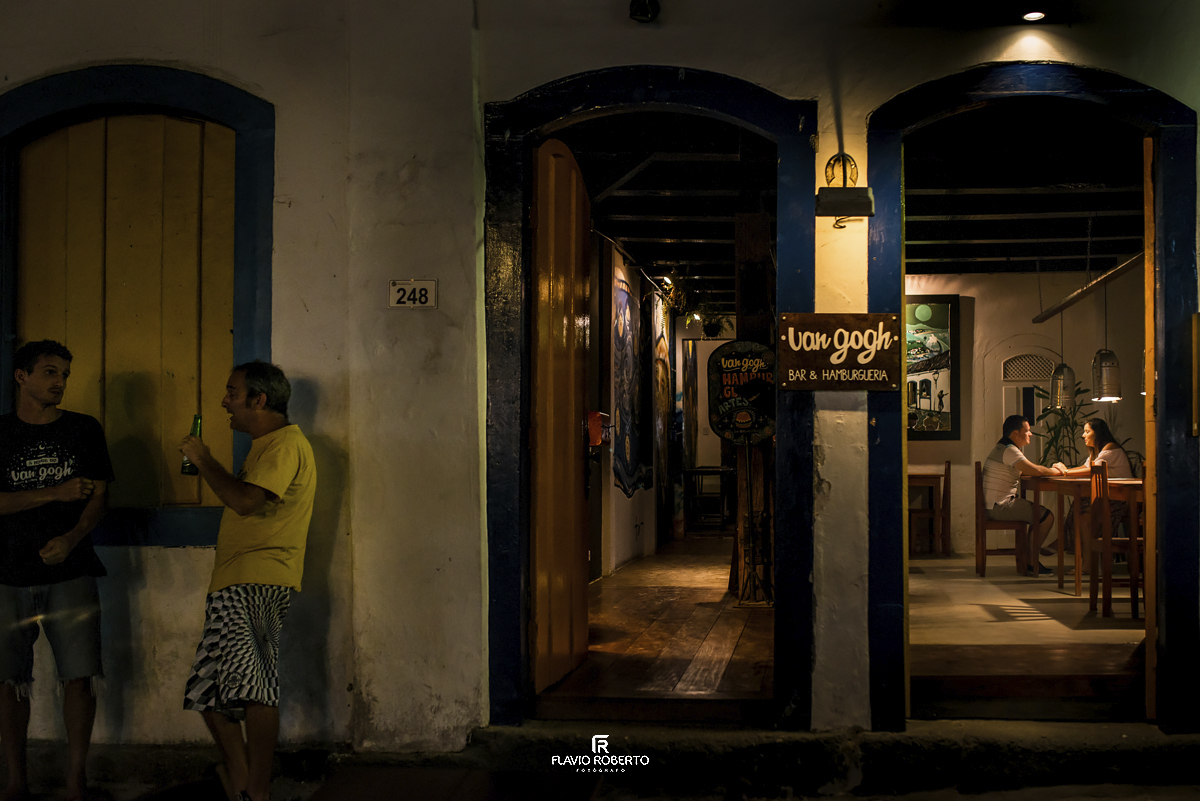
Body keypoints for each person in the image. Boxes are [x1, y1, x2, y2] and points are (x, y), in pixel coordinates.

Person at [179, 361, 316, 801]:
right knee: (207, 691)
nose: (225, 402)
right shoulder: (264, 447)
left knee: (255, 687)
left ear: (259, 399)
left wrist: (203, 459)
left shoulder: (285, 445)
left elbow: (245, 501)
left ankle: (257, 792)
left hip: (257, 580)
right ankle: (241, 781)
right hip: (234, 580)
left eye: (232, 393)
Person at [0, 340, 114, 801]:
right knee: (8, 681)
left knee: (79, 677)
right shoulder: (0, 432)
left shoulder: (83, 429)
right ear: (21, 376)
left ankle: (75, 781)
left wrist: (72, 538)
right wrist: (54, 493)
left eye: (64, 373)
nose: (60, 381)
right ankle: (15, 781)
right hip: (7, 572)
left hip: (72, 571)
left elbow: (99, 497)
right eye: (49, 372)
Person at [981, 414, 1066, 576]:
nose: (1030, 434)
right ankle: (1032, 562)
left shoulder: (1003, 447)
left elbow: (1027, 470)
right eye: (1027, 431)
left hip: (993, 505)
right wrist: (1059, 471)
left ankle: (1030, 559)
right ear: (1015, 433)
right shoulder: (1009, 450)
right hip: (1000, 506)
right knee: (1046, 517)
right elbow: (1036, 470)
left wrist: (1045, 471)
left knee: (1038, 515)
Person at [1052, 418, 1134, 553]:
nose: (1083, 435)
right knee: (1080, 507)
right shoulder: (1097, 451)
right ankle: (1068, 544)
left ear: (1098, 433)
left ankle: (1064, 541)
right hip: (1108, 497)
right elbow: (1086, 467)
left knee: (1081, 508)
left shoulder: (1110, 448)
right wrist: (1065, 471)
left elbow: (1093, 470)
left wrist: (1065, 472)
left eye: (1087, 431)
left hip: (1120, 499)